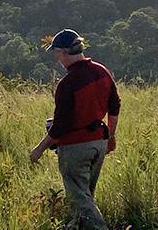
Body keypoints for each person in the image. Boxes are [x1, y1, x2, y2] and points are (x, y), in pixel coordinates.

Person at [29, 29, 121, 230]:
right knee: (85, 194)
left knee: (80, 199)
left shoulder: (67, 84)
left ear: (63, 52)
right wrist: (111, 137)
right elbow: (114, 106)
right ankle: (73, 226)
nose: (56, 57)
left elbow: (60, 127)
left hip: (75, 147)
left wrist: (39, 149)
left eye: (56, 53)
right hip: (99, 142)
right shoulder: (101, 71)